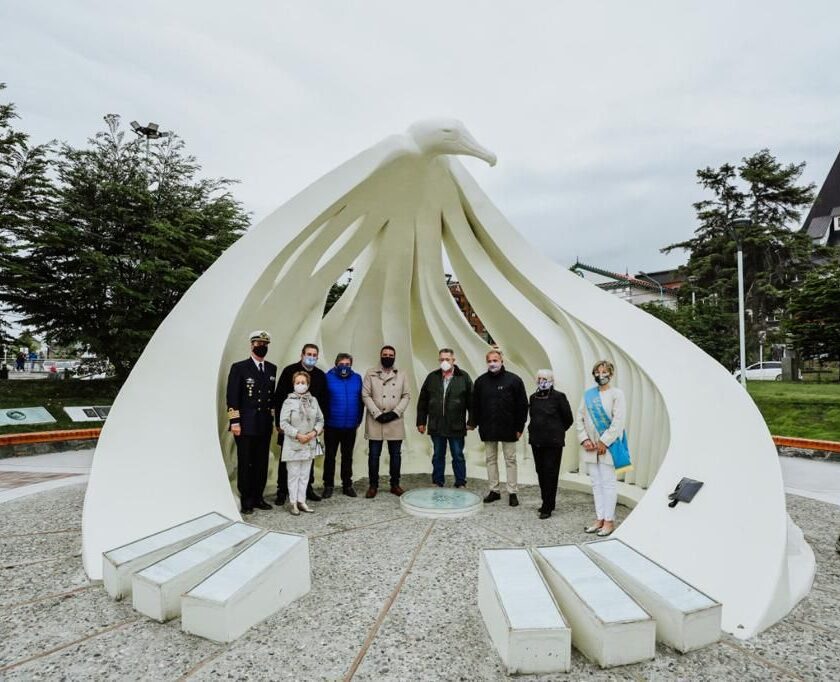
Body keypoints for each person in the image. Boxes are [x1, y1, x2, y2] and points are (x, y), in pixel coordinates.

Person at [575, 359, 630, 537]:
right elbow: (579, 417)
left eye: (604, 372)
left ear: (611, 374)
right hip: (590, 446)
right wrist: (584, 439)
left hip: (609, 446)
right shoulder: (588, 395)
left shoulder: (617, 394)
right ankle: (599, 518)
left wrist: (604, 441)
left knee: (608, 484)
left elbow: (618, 421)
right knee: (596, 483)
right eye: (597, 372)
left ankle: (609, 521)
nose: (601, 375)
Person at [226, 330, 277, 515]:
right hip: (245, 425)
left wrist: (273, 420)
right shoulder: (239, 367)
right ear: (252, 345)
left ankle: (258, 497)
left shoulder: (271, 368)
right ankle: (247, 499)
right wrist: (235, 422)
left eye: (265, 344)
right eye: (258, 343)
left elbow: (271, 399)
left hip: (264, 424)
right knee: (246, 462)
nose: (261, 347)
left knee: (261, 462)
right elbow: (232, 397)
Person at [470, 349, 528, 506]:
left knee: (510, 460)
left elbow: (522, 405)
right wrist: (473, 423)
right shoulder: (481, 382)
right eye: (489, 361)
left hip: (509, 428)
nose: (492, 363)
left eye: (495, 360)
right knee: (490, 459)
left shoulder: (514, 380)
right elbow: (475, 405)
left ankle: (512, 492)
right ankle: (494, 490)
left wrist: (519, 427)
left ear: (502, 361)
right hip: (488, 427)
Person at [275, 343, 327, 504]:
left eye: (314, 355)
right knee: (288, 459)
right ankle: (282, 490)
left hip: (311, 428)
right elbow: (279, 397)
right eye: (308, 354)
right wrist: (278, 424)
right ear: (302, 355)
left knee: (308, 458)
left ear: (317, 357)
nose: (311, 357)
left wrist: (320, 426)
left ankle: (307, 489)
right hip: (292, 426)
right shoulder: (289, 371)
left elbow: (323, 401)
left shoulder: (320, 375)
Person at [416, 348, 473, 488]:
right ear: (438, 360)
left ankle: (460, 482)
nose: (444, 362)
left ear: (453, 360)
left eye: (447, 359)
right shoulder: (432, 377)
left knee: (458, 455)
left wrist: (472, 421)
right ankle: (437, 481)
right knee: (438, 455)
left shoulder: (464, 377)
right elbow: (423, 401)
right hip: (436, 424)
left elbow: (472, 401)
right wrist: (421, 421)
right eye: (442, 359)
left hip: (456, 425)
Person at [362, 345, 410, 498]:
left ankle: (395, 484)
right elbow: (365, 395)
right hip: (375, 420)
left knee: (395, 454)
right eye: (385, 355)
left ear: (394, 357)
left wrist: (395, 413)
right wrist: (377, 414)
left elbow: (406, 396)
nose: (387, 357)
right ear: (380, 355)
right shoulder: (370, 373)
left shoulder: (402, 374)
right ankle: (373, 486)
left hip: (395, 420)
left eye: (390, 355)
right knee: (373, 455)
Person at [527, 369, 574, 519]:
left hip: (553, 443)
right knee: (540, 472)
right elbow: (533, 416)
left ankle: (548, 506)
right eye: (539, 378)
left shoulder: (559, 397)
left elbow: (568, 419)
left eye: (545, 379)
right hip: (537, 441)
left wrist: (556, 430)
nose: (542, 381)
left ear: (552, 381)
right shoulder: (533, 397)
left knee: (550, 473)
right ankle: (546, 501)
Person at [278, 371, 324, 515]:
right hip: (294, 444)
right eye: (297, 382)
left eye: (303, 382)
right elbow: (283, 423)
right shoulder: (288, 402)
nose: (300, 385)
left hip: (309, 443)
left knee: (305, 475)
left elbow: (320, 420)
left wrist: (313, 433)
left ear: (308, 385)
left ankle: (301, 501)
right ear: (293, 384)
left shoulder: (313, 401)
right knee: (294, 475)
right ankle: (293, 502)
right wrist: (297, 435)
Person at [322, 352, 364, 498]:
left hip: (351, 425)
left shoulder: (357, 378)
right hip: (331, 425)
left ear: (351, 365)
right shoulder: (327, 378)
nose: (344, 367)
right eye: (341, 364)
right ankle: (328, 485)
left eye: (347, 364)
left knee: (347, 456)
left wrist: (358, 420)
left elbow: (361, 400)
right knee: (330, 456)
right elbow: (323, 400)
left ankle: (347, 485)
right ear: (336, 364)